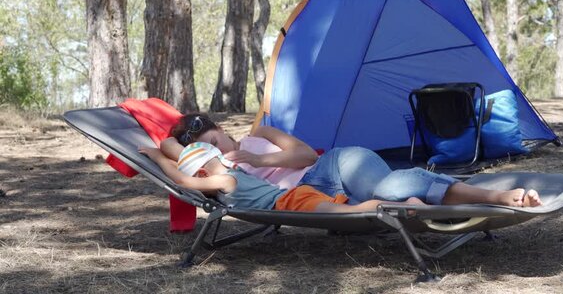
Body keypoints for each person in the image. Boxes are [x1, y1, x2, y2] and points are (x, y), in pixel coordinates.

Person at [159, 113, 542, 208]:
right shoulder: (215, 169)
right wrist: (158, 147)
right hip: (315, 198)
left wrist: (255, 154)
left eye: (215, 139)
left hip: (332, 167)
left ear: (221, 129)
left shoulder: (258, 134)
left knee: (386, 186)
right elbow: (170, 150)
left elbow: (307, 154)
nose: (218, 148)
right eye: (207, 148)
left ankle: (495, 197)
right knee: (387, 198)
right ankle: (416, 202)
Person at [139, 142, 425, 213]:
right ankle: (405, 202)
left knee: (352, 211)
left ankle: (404, 205)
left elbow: (183, 181)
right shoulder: (233, 172)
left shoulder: (225, 180)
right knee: (349, 208)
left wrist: (157, 157)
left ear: (202, 173)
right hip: (295, 196)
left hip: (291, 201)